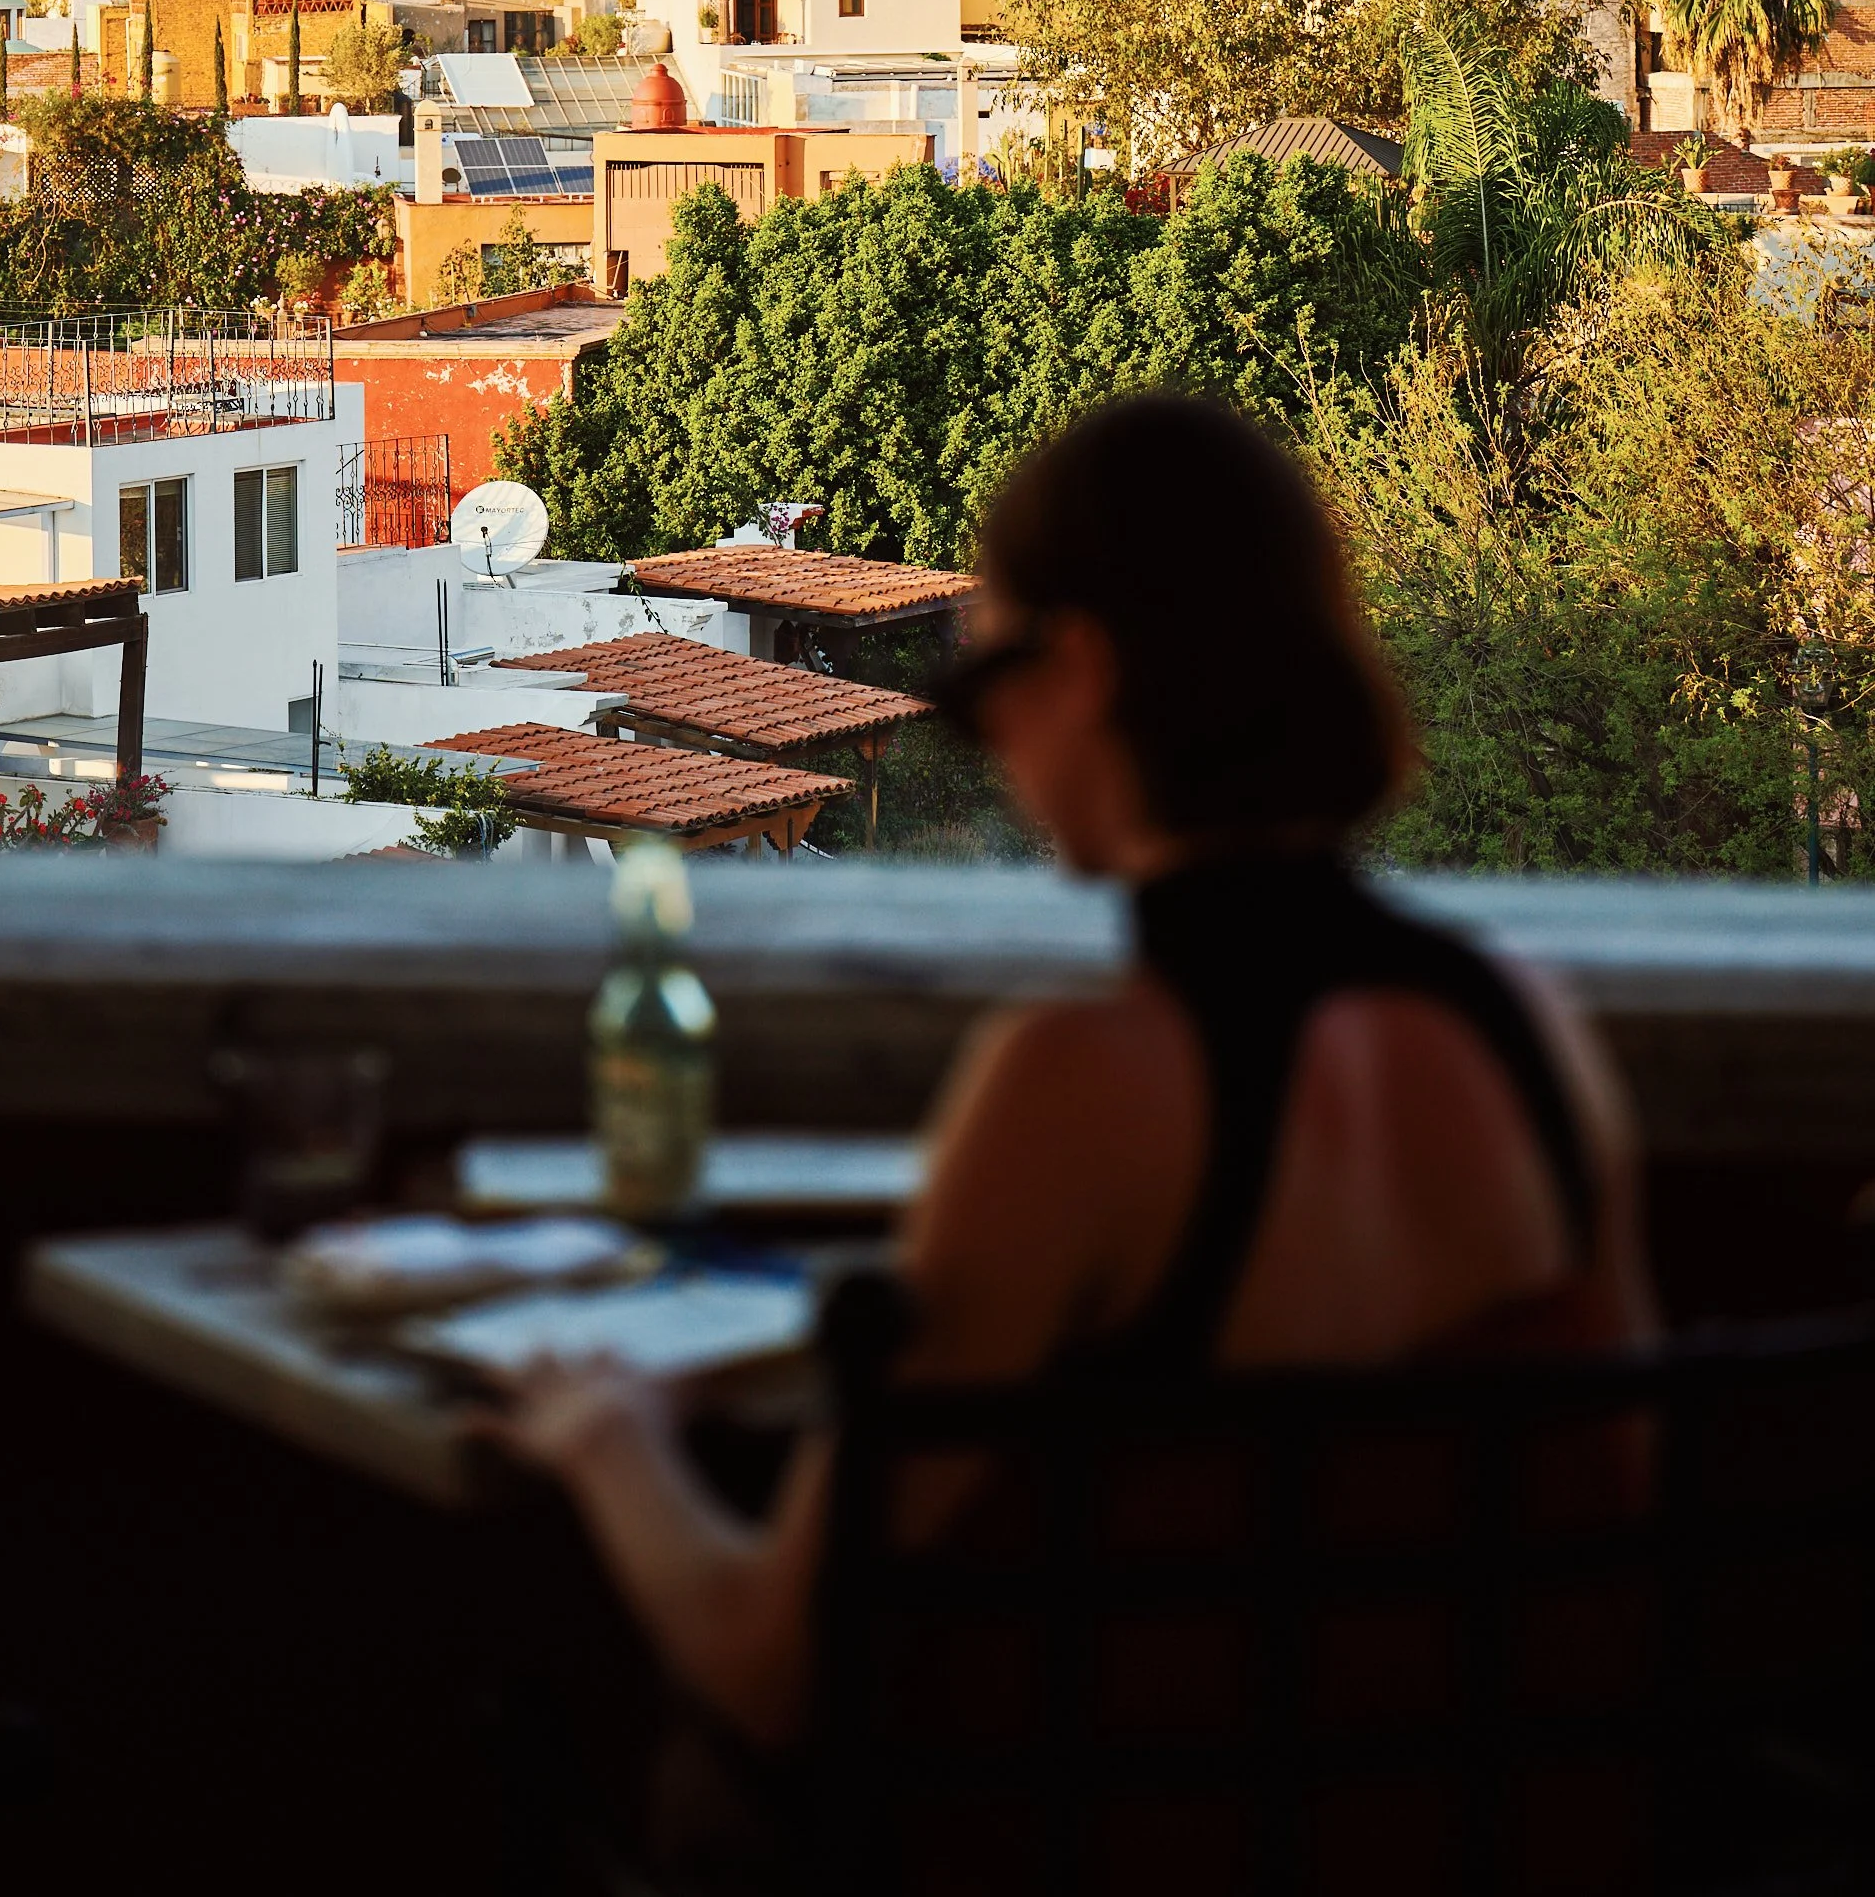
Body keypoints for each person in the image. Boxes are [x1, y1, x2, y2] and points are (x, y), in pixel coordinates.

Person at [500, 392, 1653, 1752]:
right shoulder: (1536, 1032)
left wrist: (605, 1438)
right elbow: (1620, 1521)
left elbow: (776, 1666)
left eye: (988, 694)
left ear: (1086, 671)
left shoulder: (1083, 1082)